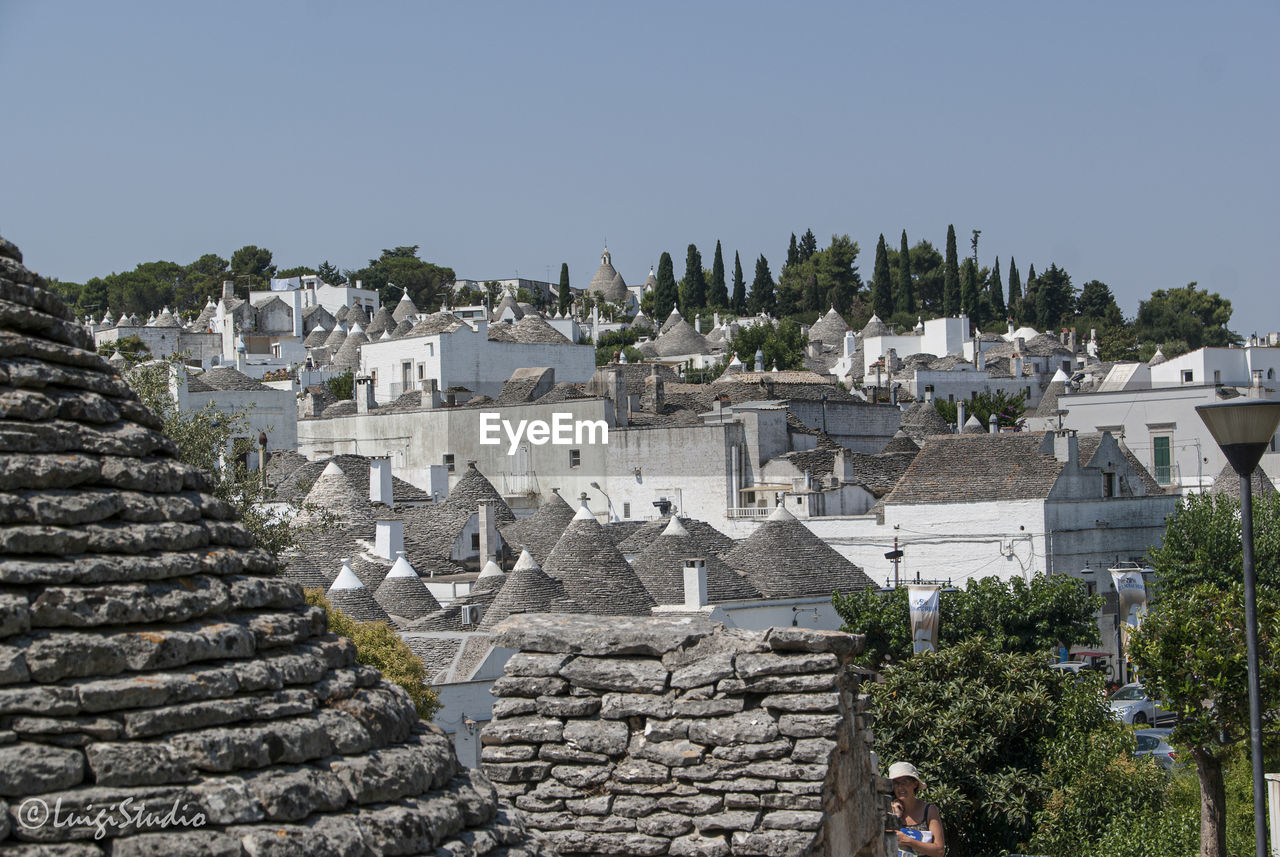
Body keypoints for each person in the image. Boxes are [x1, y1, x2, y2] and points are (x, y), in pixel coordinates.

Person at [889, 762, 945, 857]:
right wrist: (895, 816)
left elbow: (939, 851)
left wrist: (909, 841)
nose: (900, 788)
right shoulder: (888, 809)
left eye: (904, 782)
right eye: (896, 783)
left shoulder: (929, 811)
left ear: (915, 784)